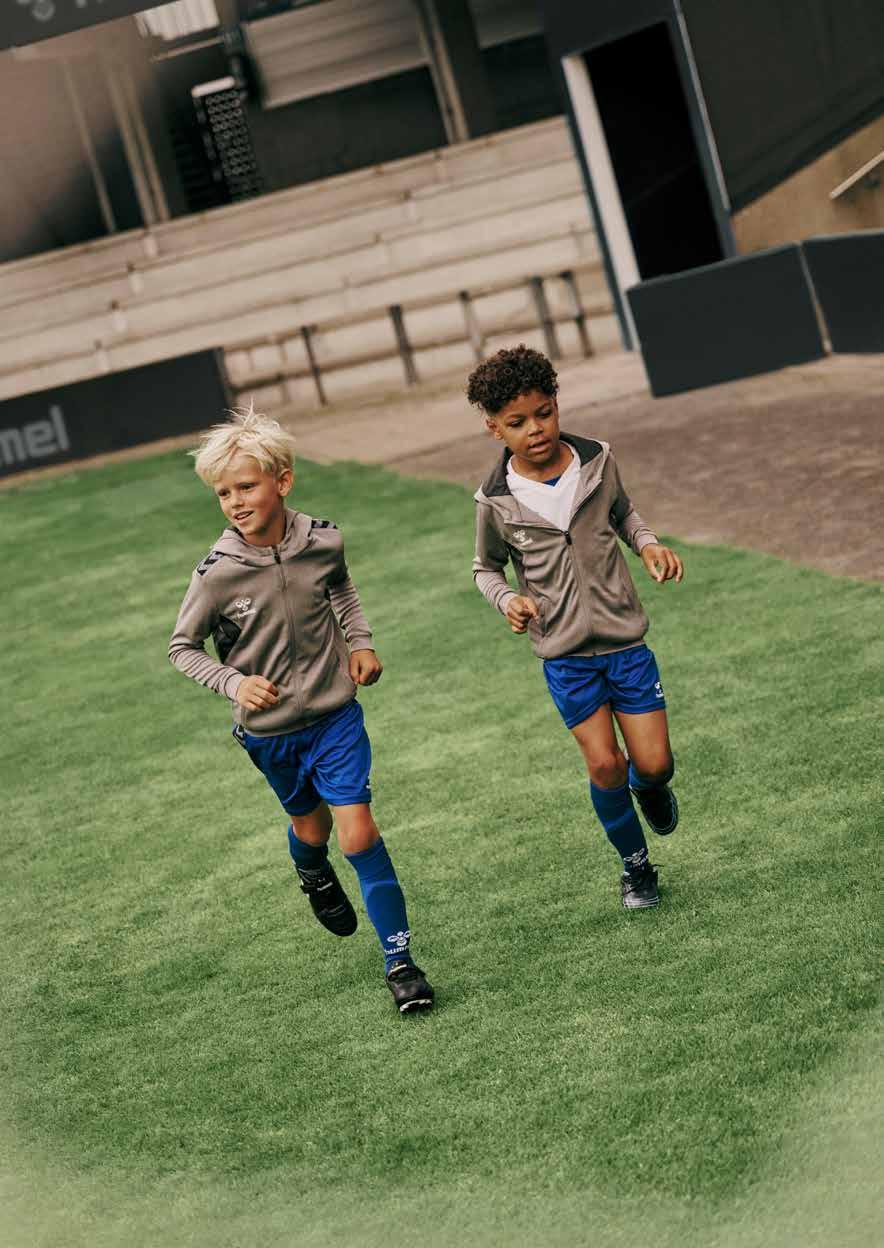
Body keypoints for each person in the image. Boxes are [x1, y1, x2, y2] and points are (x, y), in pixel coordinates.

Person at [168, 406, 433, 1013]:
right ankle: (312, 869)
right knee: (312, 831)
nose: (235, 502)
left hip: (336, 718)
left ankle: (401, 963)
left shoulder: (322, 540)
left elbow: (341, 587)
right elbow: (182, 648)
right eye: (223, 493)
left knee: (359, 832)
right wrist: (233, 683)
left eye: (246, 487)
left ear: (283, 481)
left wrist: (360, 643)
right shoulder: (216, 575)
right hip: (270, 735)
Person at [469, 345, 684, 909]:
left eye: (544, 413)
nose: (535, 430)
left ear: (556, 404)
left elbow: (624, 513)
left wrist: (648, 544)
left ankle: (649, 787)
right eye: (517, 422)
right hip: (565, 657)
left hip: (625, 643)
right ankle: (636, 868)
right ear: (495, 429)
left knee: (654, 763)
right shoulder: (495, 501)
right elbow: (485, 567)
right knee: (605, 764)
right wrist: (507, 599)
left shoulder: (597, 460)